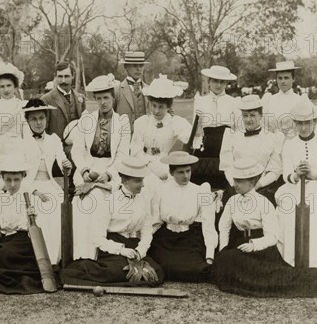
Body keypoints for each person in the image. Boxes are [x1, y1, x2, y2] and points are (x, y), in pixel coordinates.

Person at [215, 158, 317, 297]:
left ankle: (311, 279)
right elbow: (224, 227)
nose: (235, 185)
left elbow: (273, 236)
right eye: (234, 180)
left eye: (239, 181)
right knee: (227, 259)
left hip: (261, 248)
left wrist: (254, 245)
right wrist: (223, 250)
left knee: (270, 277)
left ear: (252, 182)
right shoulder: (232, 201)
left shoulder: (264, 203)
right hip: (240, 243)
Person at [61, 157, 164, 286]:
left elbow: (147, 231)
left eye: (142, 180)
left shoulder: (143, 200)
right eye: (138, 181)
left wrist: (140, 250)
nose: (143, 185)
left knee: (156, 272)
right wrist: (122, 250)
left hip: (133, 246)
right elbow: (98, 238)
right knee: (118, 271)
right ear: (125, 181)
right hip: (112, 248)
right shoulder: (109, 202)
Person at [0, 160, 57, 294]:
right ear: (2, 179)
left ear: (23, 177)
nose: (12, 184)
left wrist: (32, 217)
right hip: (6, 241)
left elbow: (42, 227)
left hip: (24, 242)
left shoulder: (30, 198)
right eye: (8, 180)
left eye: (16, 180)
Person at [275, 99, 317, 269]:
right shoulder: (289, 144)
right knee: (288, 215)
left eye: (307, 123)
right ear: (295, 124)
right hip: (294, 189)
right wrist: (296, 175)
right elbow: (286, 174)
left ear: (314, 121)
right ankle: (292, 261)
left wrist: (313, 173)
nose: (304, 128)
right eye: (299, 124)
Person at [148, 151, 217, 282]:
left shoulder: (200, 190)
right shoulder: (161, 190)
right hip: (165, 239)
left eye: (188, 171)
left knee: (197, 270)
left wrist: (209, 256)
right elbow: (155, 222)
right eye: (180, 172)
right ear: (171, 172)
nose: (186, 176)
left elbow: (208, 225)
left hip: (189, 239)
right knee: (159, 267)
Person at [21, 98, 72, 263]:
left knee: (58, 209)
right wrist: (34, 191)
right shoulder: (21, 143)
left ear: (46, 119)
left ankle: (57, 261)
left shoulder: (54, 140)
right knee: (41, 212)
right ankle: (43, 262)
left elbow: (62, 161)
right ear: (27, 121)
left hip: (51, 185)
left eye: (41, 118)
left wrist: (67, 166)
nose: (38, 123)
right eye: (33, 119)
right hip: (30, 187)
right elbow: (18, 174)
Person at [130, 74, 192, 189]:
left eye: (161, 107)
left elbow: (191, 138)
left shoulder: (174, 123)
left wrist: (197, 132)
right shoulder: (142, 122)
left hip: (165, 166)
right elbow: (135, 151)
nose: (156, 111)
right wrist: (152, 166)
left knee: (165, 188)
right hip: (143, 165)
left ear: (168, 107)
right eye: (153, 106)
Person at [219, 94, 283, 204]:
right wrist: (236, 184)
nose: (248, 120)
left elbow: (275, 170)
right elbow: (227, 166)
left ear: (260, 115)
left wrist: (257, 185)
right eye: (245, 115)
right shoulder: (232, 137)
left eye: (252, 115)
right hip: (236, 187)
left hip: (262, 188)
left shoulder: (272, 138)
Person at [190, 65, 239, 186]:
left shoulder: (233, 102)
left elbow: (237, 128)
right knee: (202, 176)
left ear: (226, 83)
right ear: (209, 82)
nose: (218, 85)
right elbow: (195, 127)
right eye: (215, 81)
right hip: (206, 143)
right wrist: (195, 144)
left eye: (222, 82)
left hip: (226, 143)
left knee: (225, 177)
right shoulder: (200, 101)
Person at [41, 61, 86, 163]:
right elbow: (44, 131)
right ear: (55, 77)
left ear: (73, 76)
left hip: (77, 150)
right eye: (60, 77)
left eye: (67, 76)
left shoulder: (80, 98)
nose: (63, 81)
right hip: (56, 152)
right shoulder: (46, 100)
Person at [0, 61, 29, 157]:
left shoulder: (23, 106)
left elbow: (27, 133)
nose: (6, 90)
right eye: (2, 86)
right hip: (1, 152)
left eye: (9, 85)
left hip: (21, 151)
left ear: (15, 86)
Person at [263, 61, 301, 138]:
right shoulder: (270, 100)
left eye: (286, 78)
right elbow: (264, 126)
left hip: (293, 143)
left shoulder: (300, 100)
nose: (283, 81)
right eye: (280, 78)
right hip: (273, 143)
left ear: (293, 79)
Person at [114, 51, 150, 133]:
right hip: (125, 140)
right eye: (134, 65)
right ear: (126, 67)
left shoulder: (150, 90)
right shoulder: (117, 90)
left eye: (141, 65)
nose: (138, 69)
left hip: (146, 140)